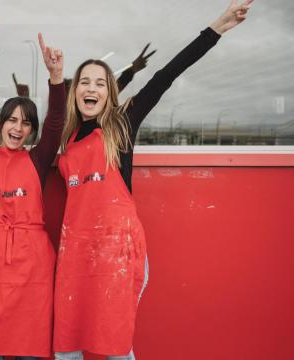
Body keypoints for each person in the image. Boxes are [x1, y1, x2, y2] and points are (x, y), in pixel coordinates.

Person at [53, 1, 253, 359]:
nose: (92, 88)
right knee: (67, 344)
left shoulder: (121, 123)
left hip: (118, 254)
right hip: (77, 257)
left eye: (101, 82)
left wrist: (217, 28)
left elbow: (166, 75)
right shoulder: (66, 141)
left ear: (109, 93)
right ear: (74, 91)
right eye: (84, 81)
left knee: (115, 344)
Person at [0, 19, 65, 359]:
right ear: (2, 123)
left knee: (29, 348)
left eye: (26, 123)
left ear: (32, 132)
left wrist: (56, 78)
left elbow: (57, 121)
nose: (18, 128)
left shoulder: (37, 160)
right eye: (12, 120)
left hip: (32, 265)